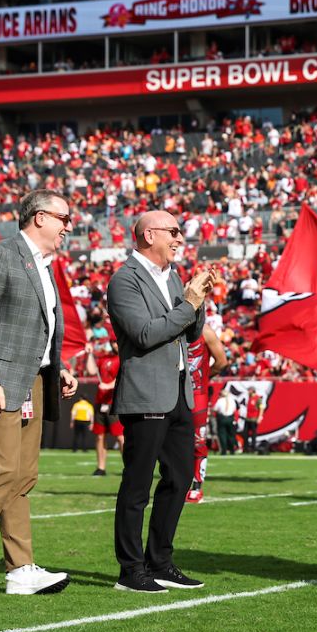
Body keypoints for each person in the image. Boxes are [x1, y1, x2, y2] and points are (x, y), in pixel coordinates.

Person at [0, 189, 79, 599]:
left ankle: (21, 569)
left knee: (24, 477)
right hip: (0, 380)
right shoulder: (0, 254)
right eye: (63, 217)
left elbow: (37, 329)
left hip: (35, 380)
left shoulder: (44, 266)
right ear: (39, 217)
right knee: (2, 471)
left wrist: (56, 370)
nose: (68, 226)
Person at [106, 210, 213, 593]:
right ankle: (131, 570)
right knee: (137, 486)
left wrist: (198, 303)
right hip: (147, 392)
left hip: (179, 390)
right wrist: (188, 304)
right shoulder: (124, 280)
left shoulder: (172, 277)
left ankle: (161, 562)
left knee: (181, 477)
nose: (180, 238)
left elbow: (189, 331)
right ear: (149, 235)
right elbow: (146, 334)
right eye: (173, 231)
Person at [185, 322, 229, 504]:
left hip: (197, 393)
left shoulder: (206, 331)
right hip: (173, 392)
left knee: (198, 440)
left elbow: (222, 362)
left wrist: (204, 376)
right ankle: (176, 483)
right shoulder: (171, 324)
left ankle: (196, 486)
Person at [89, 340, 124, 476]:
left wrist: (109, 385)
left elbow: (122, 376)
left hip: (115, 403)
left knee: (121, 437)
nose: (115, 344)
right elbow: (92, 370)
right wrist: (90, 354)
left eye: (117, 341)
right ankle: (101, 467)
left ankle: (128, 466)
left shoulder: (123, 358)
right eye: (113, 342)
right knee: (99, 436)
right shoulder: (104, 358)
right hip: (101, 402)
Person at [212, 386, 238, 455]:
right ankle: (232, 450)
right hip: (230, 418)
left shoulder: (220, 401)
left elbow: (215, 409)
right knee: (231, 435)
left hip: (222, 418)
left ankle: (224, 450)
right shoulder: (232, 400)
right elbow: (234, 409)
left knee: (222, 434)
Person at [242, 389, 265, 454]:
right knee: (245, 434)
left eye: (249, 391)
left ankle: (253, 448)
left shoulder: (258, 398)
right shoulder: (249, 398)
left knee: (253, 434)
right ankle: (245, 448)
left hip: (254, 419)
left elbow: (261, 408)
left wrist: (259, 417)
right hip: (247, 419)